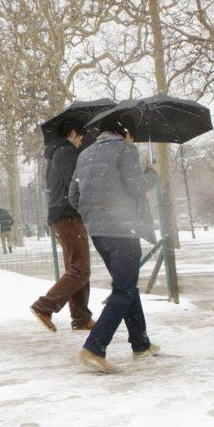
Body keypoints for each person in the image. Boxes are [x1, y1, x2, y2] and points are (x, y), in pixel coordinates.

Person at [68, 121, 160, 373]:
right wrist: (151, 172)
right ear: (125, 132)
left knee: (127, 286)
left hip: (98, 233)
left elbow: (73, 196)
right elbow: (136, 186)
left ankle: (140, 343)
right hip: (122, 230)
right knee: (123, 289)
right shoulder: (126, 150)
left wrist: (93, 215)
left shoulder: (85, 153)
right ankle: (94, 347)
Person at [29, 117, 94, 332]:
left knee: (76, 267)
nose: (82, 141)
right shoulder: (66, 152)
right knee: (81, 268)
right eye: (81, 137)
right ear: (73, 133)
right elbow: (76, 184)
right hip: (68, 215)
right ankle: (44, 307)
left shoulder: (58, 152)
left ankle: (81, 318)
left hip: (64, 214)